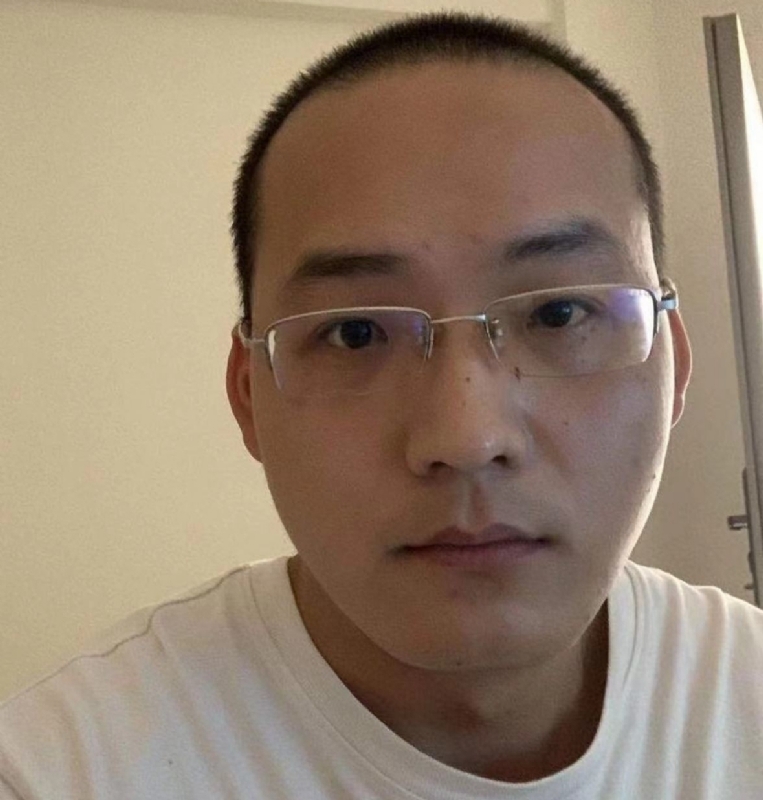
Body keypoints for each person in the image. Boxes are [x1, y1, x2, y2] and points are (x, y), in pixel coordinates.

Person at [1, 11, 761, 799]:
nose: (466, 436)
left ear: (674, 365)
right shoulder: (57, 772)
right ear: (248, 396)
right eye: (356, 333)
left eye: (557, 314)